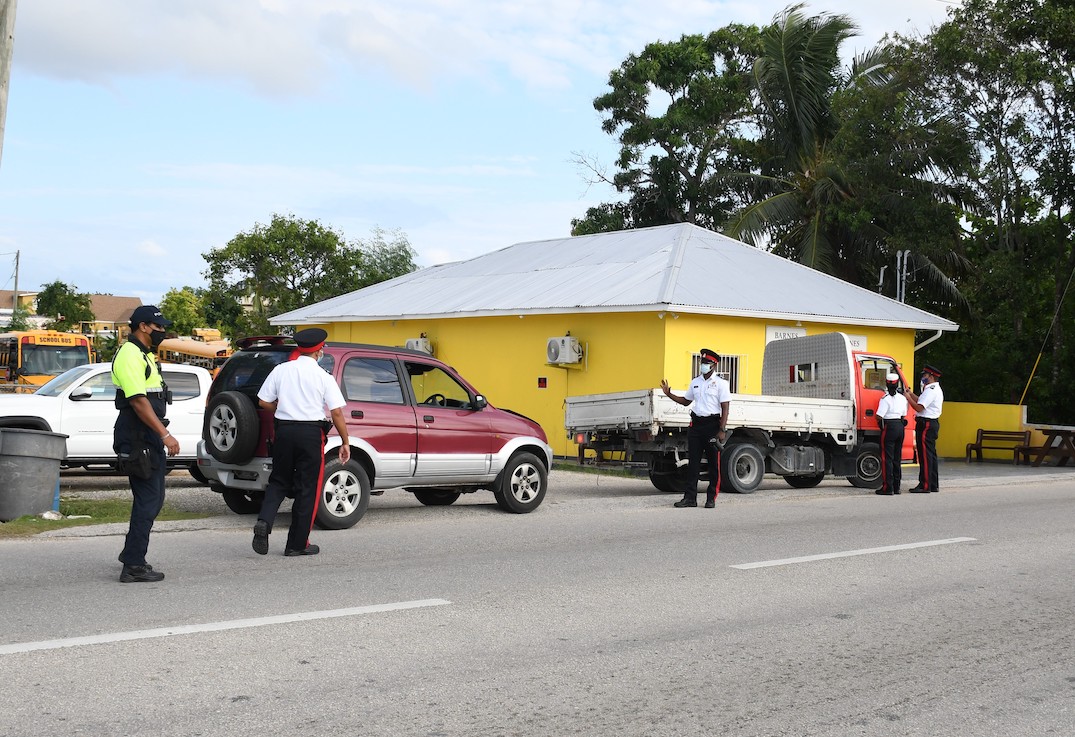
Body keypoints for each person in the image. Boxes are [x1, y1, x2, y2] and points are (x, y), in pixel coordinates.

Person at [252, 328, 350, 556]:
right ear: (319, 351)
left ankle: (264, 521)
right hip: (310, 434)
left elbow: (263, 401)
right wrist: (345, 442)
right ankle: (296, 544)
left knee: (278, 481)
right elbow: (336, 412)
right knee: (307, 488)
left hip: (284, 432)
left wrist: (282, 408)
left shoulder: (281, 370)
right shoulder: (323, 376)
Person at [112, 305, 180, 583]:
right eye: (158, 327)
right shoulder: (130, 354)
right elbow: (139, 402)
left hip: (146, 435)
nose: (162, 331)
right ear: (143, 326)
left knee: (153, 498)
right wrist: (165, 435)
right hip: (138, 435)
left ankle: (132, 554)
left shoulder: (143, 354)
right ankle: (133, 565)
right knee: (148, 499)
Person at [660, 348, 731, 508]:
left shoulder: (721, 384)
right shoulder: (695, 382)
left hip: (712, 426)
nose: (703, 365)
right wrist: (669, 394)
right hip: (696, 426)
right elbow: (686, 401)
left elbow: (725, 408)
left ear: (714, 365)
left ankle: (711, 498)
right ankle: (690, 498)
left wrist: (722, 430)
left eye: (706, 363)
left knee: (713, 464)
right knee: (693, 464)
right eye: (702, 362)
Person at [905, 364, 943, 493]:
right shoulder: (931, 389)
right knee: (930, 455)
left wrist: (907, 398)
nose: (923, 377)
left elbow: (919, 408)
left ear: (931, 376)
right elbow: (920, 401)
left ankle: (925, 485)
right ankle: (932, 484)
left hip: (926, 424)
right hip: (929, 423)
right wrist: (911, 394)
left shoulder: (931, 390)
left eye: (925, 375)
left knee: (925, 455)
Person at [875, 372, 908, 495]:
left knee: (886, 458)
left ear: (887, 384)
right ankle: (896, 487)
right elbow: (904, 414)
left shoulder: (885, 399)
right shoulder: (903, 398)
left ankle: (887, 488)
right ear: (897, 383)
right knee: (897, 458)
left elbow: (879, 416)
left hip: (889, 427)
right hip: (900, 427)